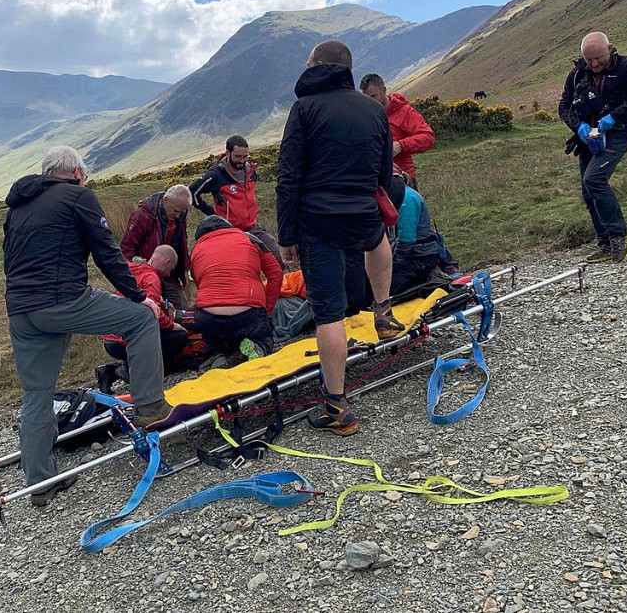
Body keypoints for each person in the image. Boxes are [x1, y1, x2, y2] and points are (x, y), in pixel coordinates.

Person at [3, 146, 172, 506]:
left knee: (37, 394)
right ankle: (150, 406)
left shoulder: (18, 205)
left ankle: (40, 484)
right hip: (62, 299)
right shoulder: (78, 196)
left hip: (21, 309)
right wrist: (138, 295)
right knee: (141, 320)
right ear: (77, 172)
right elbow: (106, 252)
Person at [276, 40, 404, 436]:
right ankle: (383, 311)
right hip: (363, 209)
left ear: (318, 66)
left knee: (329, 314)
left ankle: (337, 405)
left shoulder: (304, 108)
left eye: (309, 60)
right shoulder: (373, 108)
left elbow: (289, 176)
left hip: (318, 222)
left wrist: (286, 234)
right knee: (378, 243)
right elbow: (385, 173)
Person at [558, 31, 627, 263]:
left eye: (598, 59)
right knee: (588, 191)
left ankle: (617, 235)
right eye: (588, 59)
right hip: (587, 139)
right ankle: (604, 242)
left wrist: (614, 117)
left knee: (594, 179)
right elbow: (564, 107)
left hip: (616, 133)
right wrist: (579, 126)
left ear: (610, 48)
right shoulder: (577, 74)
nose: (593, 64)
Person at [190, 215, 282, 369]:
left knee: (213, 337)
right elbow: (276, 274)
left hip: (209, 318)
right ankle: (259, 347)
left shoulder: (196, 249)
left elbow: (199, 284)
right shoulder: (250, 238)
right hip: (248, 312)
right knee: (265, 335)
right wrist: (267, 311)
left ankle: (216, 354)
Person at [97, 245, 190, 391]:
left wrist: (163, 305)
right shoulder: (151, 278)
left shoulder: (133, 270)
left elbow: (140, 301)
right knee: (179, 337)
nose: (168, 274)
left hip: (111, 338)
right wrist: (172, 325)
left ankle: (112, 370)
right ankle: (127, 371)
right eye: (170, 269)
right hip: (124, 340)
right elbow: (150, 311)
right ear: (166, 262)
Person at [189, 135, 283, 266]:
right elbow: (191, 193)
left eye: (245, 157)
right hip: (229, 230)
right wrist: (212, 214)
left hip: (252, 227)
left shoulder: (251, 171)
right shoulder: (216, 175)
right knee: (240, 266)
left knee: (279, 258)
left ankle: (281, 286)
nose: (242, 161)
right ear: (228, 153)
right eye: (238, 157)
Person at [120, 184, 193, 308]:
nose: (177, 216)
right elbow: (126, 248)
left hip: (170, 273)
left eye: (182, 212)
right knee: (151, 310)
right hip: (146, 274)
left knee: (182, 311)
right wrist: (139, 264)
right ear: (165, 200)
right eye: (175, 211)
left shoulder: (179, 216)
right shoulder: (142, 215)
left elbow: (182, 244)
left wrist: (184, 269)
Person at [359, 73, 435, 189]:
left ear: (384, 90)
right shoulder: (365, 115)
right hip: (375, 180)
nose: (370, 102)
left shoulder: (404, 112)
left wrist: (401, 145)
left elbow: (428, 137)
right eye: (366, 99)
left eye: (373, 97)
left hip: (403, 179)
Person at [386, 176, 443, 296]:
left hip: (419, 257)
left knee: (381, 291)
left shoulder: (406, 199)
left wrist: (390, 268)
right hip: (413, 254)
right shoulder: (399, 195)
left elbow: (407, 241)